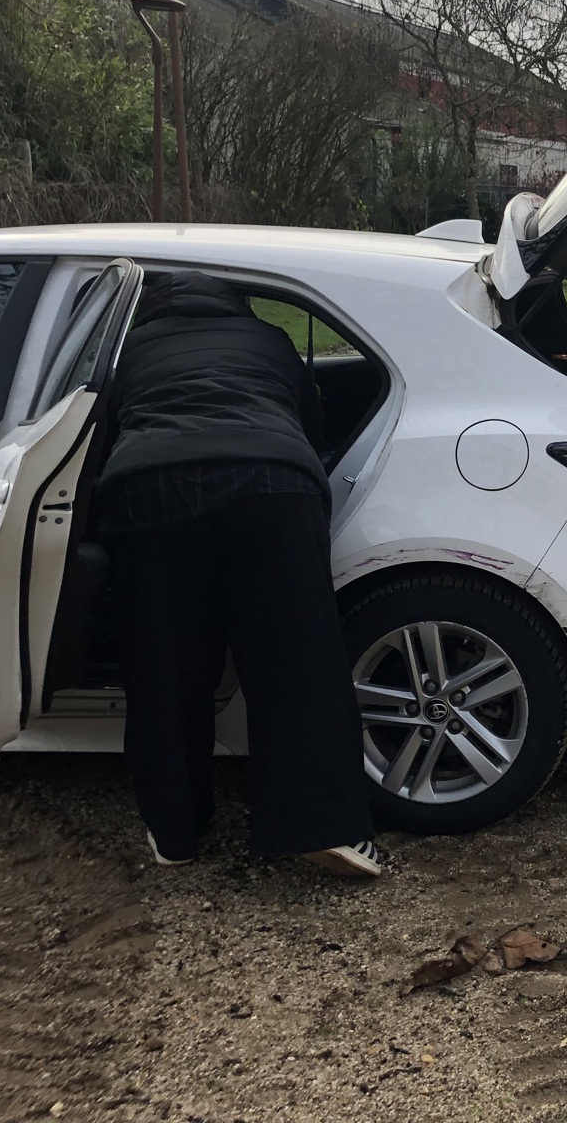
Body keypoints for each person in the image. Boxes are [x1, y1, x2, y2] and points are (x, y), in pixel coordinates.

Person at [97, 271, 382, 877]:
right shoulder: (271, 340)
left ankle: (175, 830)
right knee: (297, 662)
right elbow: (313, 424)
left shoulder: (130, 348)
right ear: (236, 301)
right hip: (272, 486)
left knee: (165, 668)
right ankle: (324, 826)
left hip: (152, 492)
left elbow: (101, 433)